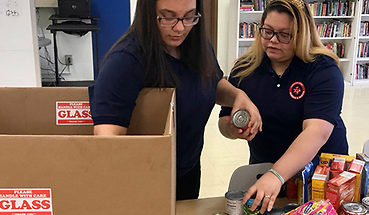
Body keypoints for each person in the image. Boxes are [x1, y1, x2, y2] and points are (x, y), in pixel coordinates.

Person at [88, 0, 262, 200]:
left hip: (188, 170)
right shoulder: (126, 60)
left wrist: (238, 96)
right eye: (168, 17)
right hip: (145, 181)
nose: (180, 27)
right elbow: (107, 139)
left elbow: (210, 83)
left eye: (189, 16)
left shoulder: (199, 45)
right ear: (148, 13)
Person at [218, 0, 348, 213]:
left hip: (320, 175)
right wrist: (233, 129)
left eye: (284, 35)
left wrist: (277, 174)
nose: (273, 41)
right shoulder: (245, 69)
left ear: (302, 34)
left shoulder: (323, 69)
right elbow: (224, 121)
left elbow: (317, 132)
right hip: (267, 171)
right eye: (267, 32)